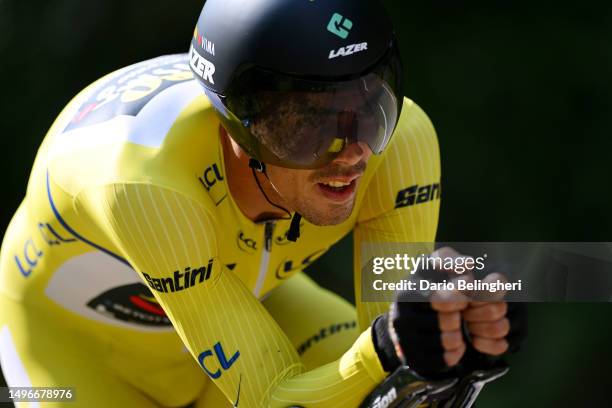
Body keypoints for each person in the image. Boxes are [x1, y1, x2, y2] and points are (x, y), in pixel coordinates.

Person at [0, 0, 525, 406]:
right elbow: (275, 397)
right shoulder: (145, 184)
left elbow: (393, 367)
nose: (353, 154)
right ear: (235, 125)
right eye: (309, 127)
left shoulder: (403, 141)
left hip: (245, 297)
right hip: (70, 354)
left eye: (369, 108)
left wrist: (453, 350)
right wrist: (388, 349)